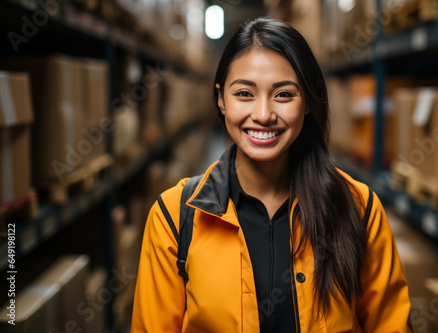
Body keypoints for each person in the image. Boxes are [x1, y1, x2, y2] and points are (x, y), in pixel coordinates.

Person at [131, 18, 411, 332]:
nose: (263, 115)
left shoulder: (359, 208)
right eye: (244, 94)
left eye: (283, 95)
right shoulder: (175, 217)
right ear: (222, 99)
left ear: (307, 102)